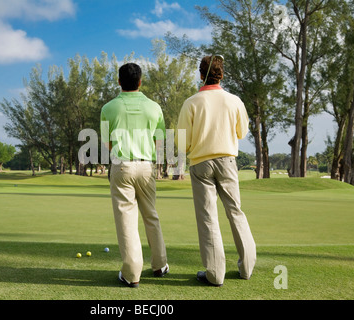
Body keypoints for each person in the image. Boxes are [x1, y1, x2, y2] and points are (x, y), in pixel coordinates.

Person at [177, 55, 256, 286]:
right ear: (221, 75)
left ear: (201, 75)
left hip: (201, 164)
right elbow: (242, 133)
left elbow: (182, 142)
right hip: (228, 162)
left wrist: (194, 146)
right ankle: (247, 269)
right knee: (236, 212)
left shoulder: (191, 102)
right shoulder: (234, 101)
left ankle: (214, 274)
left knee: (208, 217)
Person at [101, 63, 169, 288]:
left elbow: (106, 142)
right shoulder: (154, 107)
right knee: (151, 216)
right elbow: (159, 142)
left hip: (122, 167)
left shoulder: (109, 108)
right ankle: (159, 265)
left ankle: (131, 275)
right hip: (146, 166)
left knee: (126, 221)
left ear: (119, 81)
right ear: (140, 81)